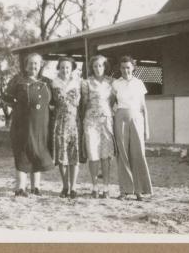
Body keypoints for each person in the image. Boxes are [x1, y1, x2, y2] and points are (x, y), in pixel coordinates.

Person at [4, 53, 54, 197]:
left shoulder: (47, 82)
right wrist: (18, 108)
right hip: (22, 124)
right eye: (31, 63)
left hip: (41, 125)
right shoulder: (18, 81)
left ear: (40, 65)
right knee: (22, 152)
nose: (33, 66)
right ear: (26, 66)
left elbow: (54, 101)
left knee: (37, 151)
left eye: (36, 64)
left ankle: (36, 187)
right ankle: (20, 188)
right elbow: (6, 98)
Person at [112, 56, 153, 201]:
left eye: (128, 67)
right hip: (121, 118)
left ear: (133, 68)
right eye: (123, 68)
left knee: (138, 153)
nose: (125, 70)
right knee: (123, 154)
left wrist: (146, 128)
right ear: (120, 68)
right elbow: (111, 103)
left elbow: (143, 107)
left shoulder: (139, 83)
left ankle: (139, 190)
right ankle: (124, 191)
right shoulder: (116, 83)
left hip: (137, 118)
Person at [81, 55, 115, 199]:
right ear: (91, 67)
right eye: (95, 66)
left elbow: (112, 101)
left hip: (106, 121)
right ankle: (94, 186)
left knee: (105, 155)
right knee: (93, 154)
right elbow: (84, 102)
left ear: (105, 66)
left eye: (100, 65)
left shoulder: (111, 82)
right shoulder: (86, 82)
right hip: (91, 121)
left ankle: (106, 188)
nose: (98, 68)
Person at [51, 56, 82, 199]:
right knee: (62, 156)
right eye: (62, 67)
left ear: (72, 69)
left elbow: (82, 102)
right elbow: (51, 103)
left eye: (68, 67)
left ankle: (73, 187)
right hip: (60, 122)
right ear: (59, 68)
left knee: (73, 156)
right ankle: (65, 186)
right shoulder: (54, 83)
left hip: (74, 122)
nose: (65, 70)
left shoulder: (78, 82)